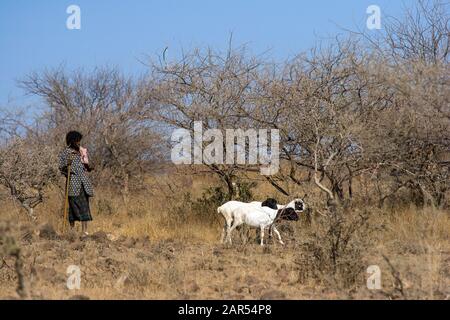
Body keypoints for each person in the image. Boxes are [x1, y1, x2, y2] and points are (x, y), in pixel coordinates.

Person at [59, 131, 94, 235]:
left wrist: (89, 167)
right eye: (77, 140)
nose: (79, 142)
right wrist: (66, 167)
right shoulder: (66, 153)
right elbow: (61, 168)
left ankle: (85, 231)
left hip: (83, 183)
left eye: (79, 140)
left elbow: (86, 166)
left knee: (85, 206)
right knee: (72, 206)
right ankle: (72, 231)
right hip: (73, 183)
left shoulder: (82, 151)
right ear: (72, 140)